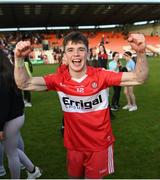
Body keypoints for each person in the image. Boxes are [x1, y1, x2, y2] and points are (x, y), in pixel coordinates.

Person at [14, 31, 148, 179]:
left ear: (88, 54)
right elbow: (23, 83)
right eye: (70, 50)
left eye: (81, 49)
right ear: (64, 55)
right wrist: (19, 58)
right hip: (73, 146)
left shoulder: (101, 75)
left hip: (99, 146)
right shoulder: (58, 79)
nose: (76, 54)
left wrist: (141, 52)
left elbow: (139, 77)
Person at [0, 50, 41, 179]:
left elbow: (3, 105)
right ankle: (33, 170)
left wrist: (0, 127)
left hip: (11, 118)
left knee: (11, 153)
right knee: (12, 150)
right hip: (17, 116)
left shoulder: (3, 76)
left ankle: (28, 173)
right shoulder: (10, 72)